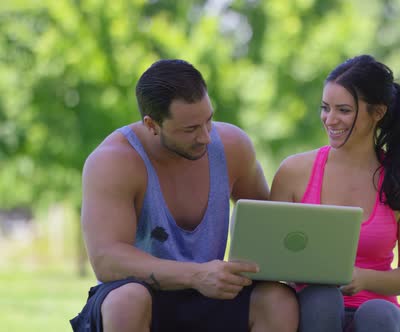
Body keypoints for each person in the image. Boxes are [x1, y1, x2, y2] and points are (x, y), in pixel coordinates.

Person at [70, 59, 299, 332]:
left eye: (209, 121)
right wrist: (197, 275)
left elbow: (271, 226)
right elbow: (107, 261)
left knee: (278, 300)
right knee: (127, 300)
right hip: (141, 296)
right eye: (190, 129)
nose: (205, 136)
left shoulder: (233, 146)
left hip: (209, 296)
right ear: (152, 124)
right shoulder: (113, 162)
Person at [270, 54, 400, 332]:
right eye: (325, 108)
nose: (330, 119)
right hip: (312, 316)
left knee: (376, 312)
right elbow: (271, 257)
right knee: (321, 297)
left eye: (343, 110)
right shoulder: (293, 172)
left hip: (377, 319)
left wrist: (362, 278)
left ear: (377, 113)